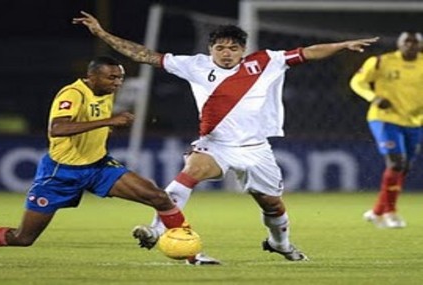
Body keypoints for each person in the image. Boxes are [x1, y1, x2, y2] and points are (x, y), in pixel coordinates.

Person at [73, 12, 378, 263]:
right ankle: (156, 230)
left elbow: (309, 53)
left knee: (271, 205)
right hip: (216, 145)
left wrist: (343, 45)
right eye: (220, 48)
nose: (226, 53)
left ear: (243, 50)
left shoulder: (266, 62)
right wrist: (102, 34)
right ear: (211, 50)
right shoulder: (195, 65)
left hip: (256, 149)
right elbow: (144, 55)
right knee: (191, 171)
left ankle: (280, 243)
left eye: (233, 48)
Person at [0, 56, 200, 265]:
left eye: (119, 78)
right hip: (61, 173)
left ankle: (190, 254)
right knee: (23, 238)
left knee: (159, 197)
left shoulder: (105, 92)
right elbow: (57, 129)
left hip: (97, 167)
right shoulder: (72, 94)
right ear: (91, 76)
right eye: (111, 78)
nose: (117, 83)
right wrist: (109, 121)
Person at [350, 31, 423, 229]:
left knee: (403, 167)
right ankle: (391, 212)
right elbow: (357, 82)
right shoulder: (381, 61)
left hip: (415, 121)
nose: (410, 45)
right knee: (396, 163)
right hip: (384, 118)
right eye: (406, 41)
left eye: (414, 42)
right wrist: (373, 97)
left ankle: (377, 211)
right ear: (399, 43)